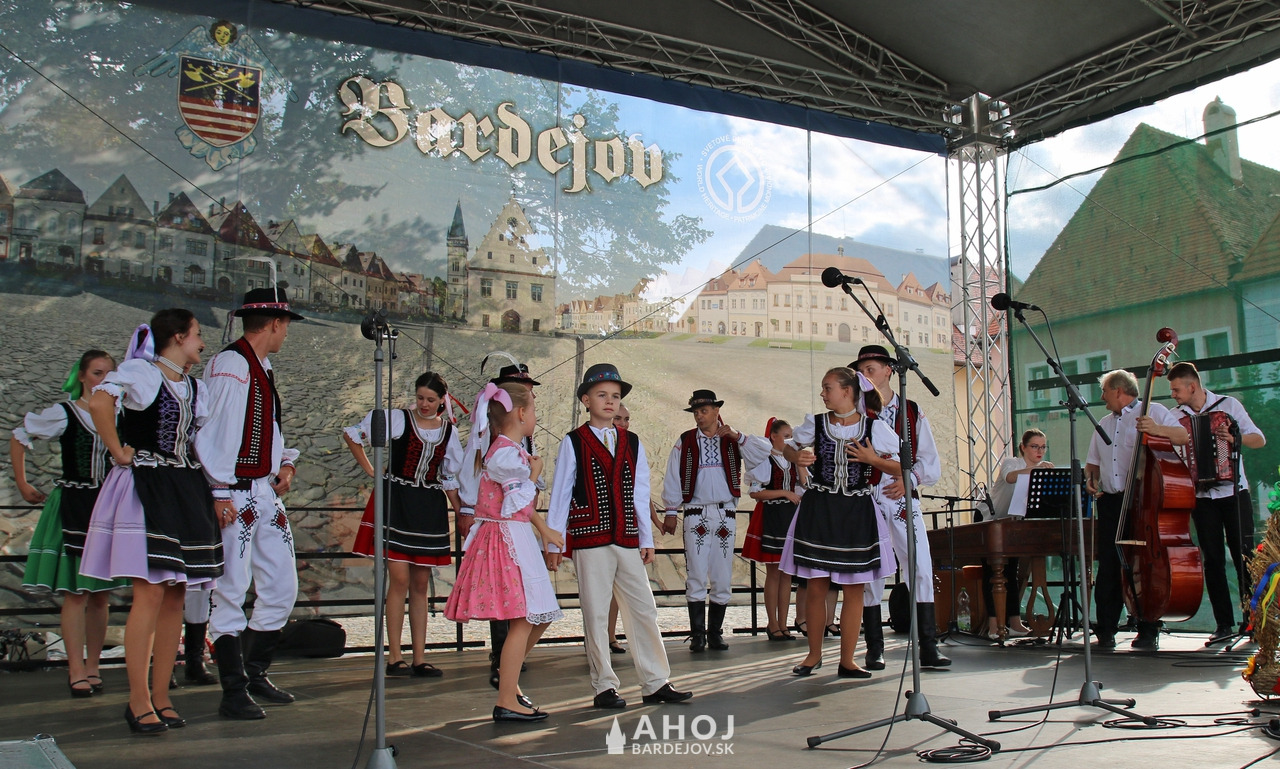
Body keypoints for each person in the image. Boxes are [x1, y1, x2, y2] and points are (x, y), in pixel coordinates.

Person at [81, 311, 223, 734]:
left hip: (184, 487)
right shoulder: (142, 373)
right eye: (197, 334)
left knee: (176, 594)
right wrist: (118, 450)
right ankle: (138, 699)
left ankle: (161, 695)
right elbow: (100, 401)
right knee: (150, 591)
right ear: (177, 337)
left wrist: (219, 490)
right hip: (149, 484)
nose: (202, 342)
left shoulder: (195, 387)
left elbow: (200, 444)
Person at [547, 363, 692, 709]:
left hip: (626, 538)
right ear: (586, 400)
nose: (610, 401)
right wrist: (553, 542)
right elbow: (561, 493)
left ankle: (655, 681)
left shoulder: (632, 441)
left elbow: (640, 493)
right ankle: (603, 685)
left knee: (643, 608)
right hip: (589, 537)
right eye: (602, 395)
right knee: (596, 612)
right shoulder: (573, 441)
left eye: (615, 396)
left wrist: (646, 539)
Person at [194, 288, 302, 720]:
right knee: (231, 588)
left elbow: (267, 428)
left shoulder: (262, 366)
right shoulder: (231, 365)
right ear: (275, 324)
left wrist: (285, 463)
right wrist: (219, 489)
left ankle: (254, 672)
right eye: (286, 326)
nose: (286, 334)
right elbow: (215, 430)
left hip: (262, 490)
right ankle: (233, 689)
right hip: (234, 491)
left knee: (281, 585)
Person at [445, 381, 563, 722]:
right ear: (522, 413)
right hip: (506, 539)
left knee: (540, 613)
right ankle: (507, 697)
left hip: (516, 534)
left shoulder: (509, 451)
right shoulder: (504, 454)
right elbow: (516, 502)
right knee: (525, 617)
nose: (535, 416)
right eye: (534, 410)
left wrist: (544, 530)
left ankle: (508, 682)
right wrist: (534, 475)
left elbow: (520, 505)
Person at [13, 349, 125, 697]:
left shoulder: (121, 414)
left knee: (101, 595)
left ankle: (93, 666)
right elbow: (20, 436)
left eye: (107, 374)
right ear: (82, 376)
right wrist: (23, 484)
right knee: (76, 593)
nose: (101, 379)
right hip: (74, 504)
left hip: (107, 506)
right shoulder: (66, 413)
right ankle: (76, 668)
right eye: (96, 373)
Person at [781, 367, 900, 679]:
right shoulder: (817, 423)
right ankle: (813, 655)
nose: (823, 394)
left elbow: (903, 464)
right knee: (816, 586)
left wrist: (874, 460)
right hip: (820, 509)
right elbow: (787, 446)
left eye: (828, 388)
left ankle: (848, 660)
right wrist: (796, 458)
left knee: (854, 589)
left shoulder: (873, 427)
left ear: (847, 391)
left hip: (856, 512)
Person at [344, 371, 464, 677]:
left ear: (442, 401)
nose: (424, 404)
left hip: (428, 507)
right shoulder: (398, 419)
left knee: (421, 584)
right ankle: (394, 656)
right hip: (397, 500)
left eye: (431, 399)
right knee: (398, 579)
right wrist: (373, 471)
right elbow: (353, 435)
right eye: (420, 397)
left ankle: (419, 658)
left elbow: (449, 477)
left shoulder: (448, 432)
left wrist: (462, 511)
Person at [852, 345, 950, 669]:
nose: (865, 376)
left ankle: (928, 646)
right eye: (860, 371)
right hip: (866, 496)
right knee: (871, 571)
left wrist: (910, 480)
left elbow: (928, 460)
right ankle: (874, 647)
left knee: (919, 564)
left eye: (870, 369)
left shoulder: (910, 410)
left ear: (889, 370)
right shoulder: (854, 412)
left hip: (901, 497)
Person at [1085, 369, 1187, 651]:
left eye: (1105, 391)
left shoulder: (1153, 410)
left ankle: (1148, 628)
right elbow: (1092, 463)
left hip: (1142, 502)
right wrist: (1091, 480)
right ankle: (1106, 629)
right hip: (1111, 502)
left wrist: (1156, 429)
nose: (1102, 397)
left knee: (1145, 566)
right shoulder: (1103, 423)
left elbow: (1182, 436)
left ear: (1118, 390)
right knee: (1109, 565)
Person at [661, 389, 770, 652]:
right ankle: (698, 635)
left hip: (725, 514)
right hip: (696, 512)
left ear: (716, 411)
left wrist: (738, 436)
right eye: (696, 412)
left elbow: (765, 453)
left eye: (704, 411)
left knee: (722, 575)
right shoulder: (686, 440)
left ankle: (715, 633)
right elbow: (673, 474)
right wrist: (671, 511)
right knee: (696, 573)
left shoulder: (732, 439)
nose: (699, 416)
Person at [1167, 361, 1265, 645]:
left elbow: (1259, 440)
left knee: (1244, 557)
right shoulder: (1175, 417)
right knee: (1212, 560)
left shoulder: (1228, 406)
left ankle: (1252, 621)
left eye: (1176, 389)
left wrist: (1235, 438)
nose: (1173, 395)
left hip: (1235, 492)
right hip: (1201, 497)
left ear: (1192, 386)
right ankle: (1223, 624)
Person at [456, 360, 541, 689]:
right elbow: (479, 472)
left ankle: (508, 669)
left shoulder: (519, 438)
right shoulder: (495, 437)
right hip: (501, 525)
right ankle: (503, 666)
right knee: (511, 601)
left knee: (523, 604)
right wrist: (468, 507)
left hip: (515, 521)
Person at [605, 403, 666, 655]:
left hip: (627, 528)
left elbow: (640, 491)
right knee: (602, 589)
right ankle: (602, 638)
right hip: (602, 526)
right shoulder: (587, 442)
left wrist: (654, 523)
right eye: (618, 418)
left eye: (627, 419)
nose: (623, 423)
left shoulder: (632, 444)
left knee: (627, 589)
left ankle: (615, 637)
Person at [980, 429, 1049, 640]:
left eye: (1043, 447)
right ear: (1023, 447)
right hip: (990, 519)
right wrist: (1036, 470)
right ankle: (994, 625)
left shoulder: (1042, 469)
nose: (1039, 451)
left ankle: (1014, 622)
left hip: (1014, 523)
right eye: (1034, 446)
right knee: (993, 572)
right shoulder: (1012, 462)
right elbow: (1010, 478)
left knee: (1011, 571)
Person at [744, 418, 805, 641]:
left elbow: (805, 485)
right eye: (786, 436)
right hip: (772, 516)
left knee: (787, 573)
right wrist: (784, 493)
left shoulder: (792, 462)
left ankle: (784, 623)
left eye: (791, 437)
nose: (790, 440)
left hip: (790, 517)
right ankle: (772, 623)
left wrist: (800, 463)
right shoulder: (766, 461)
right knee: (774, 572)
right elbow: (755, 492)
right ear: (773, 437)